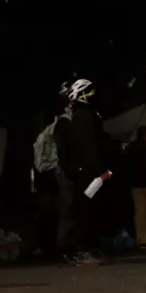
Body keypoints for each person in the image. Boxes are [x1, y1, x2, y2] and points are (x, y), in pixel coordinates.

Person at [53, 79, 106, 266]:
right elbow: (84, 146)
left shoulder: (79, 116)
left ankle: (79, 248)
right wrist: (95, 169)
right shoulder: (77, 118)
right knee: (79, 210)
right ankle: (75, 250)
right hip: (81, 172)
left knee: (83, 210)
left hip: (81, 171)